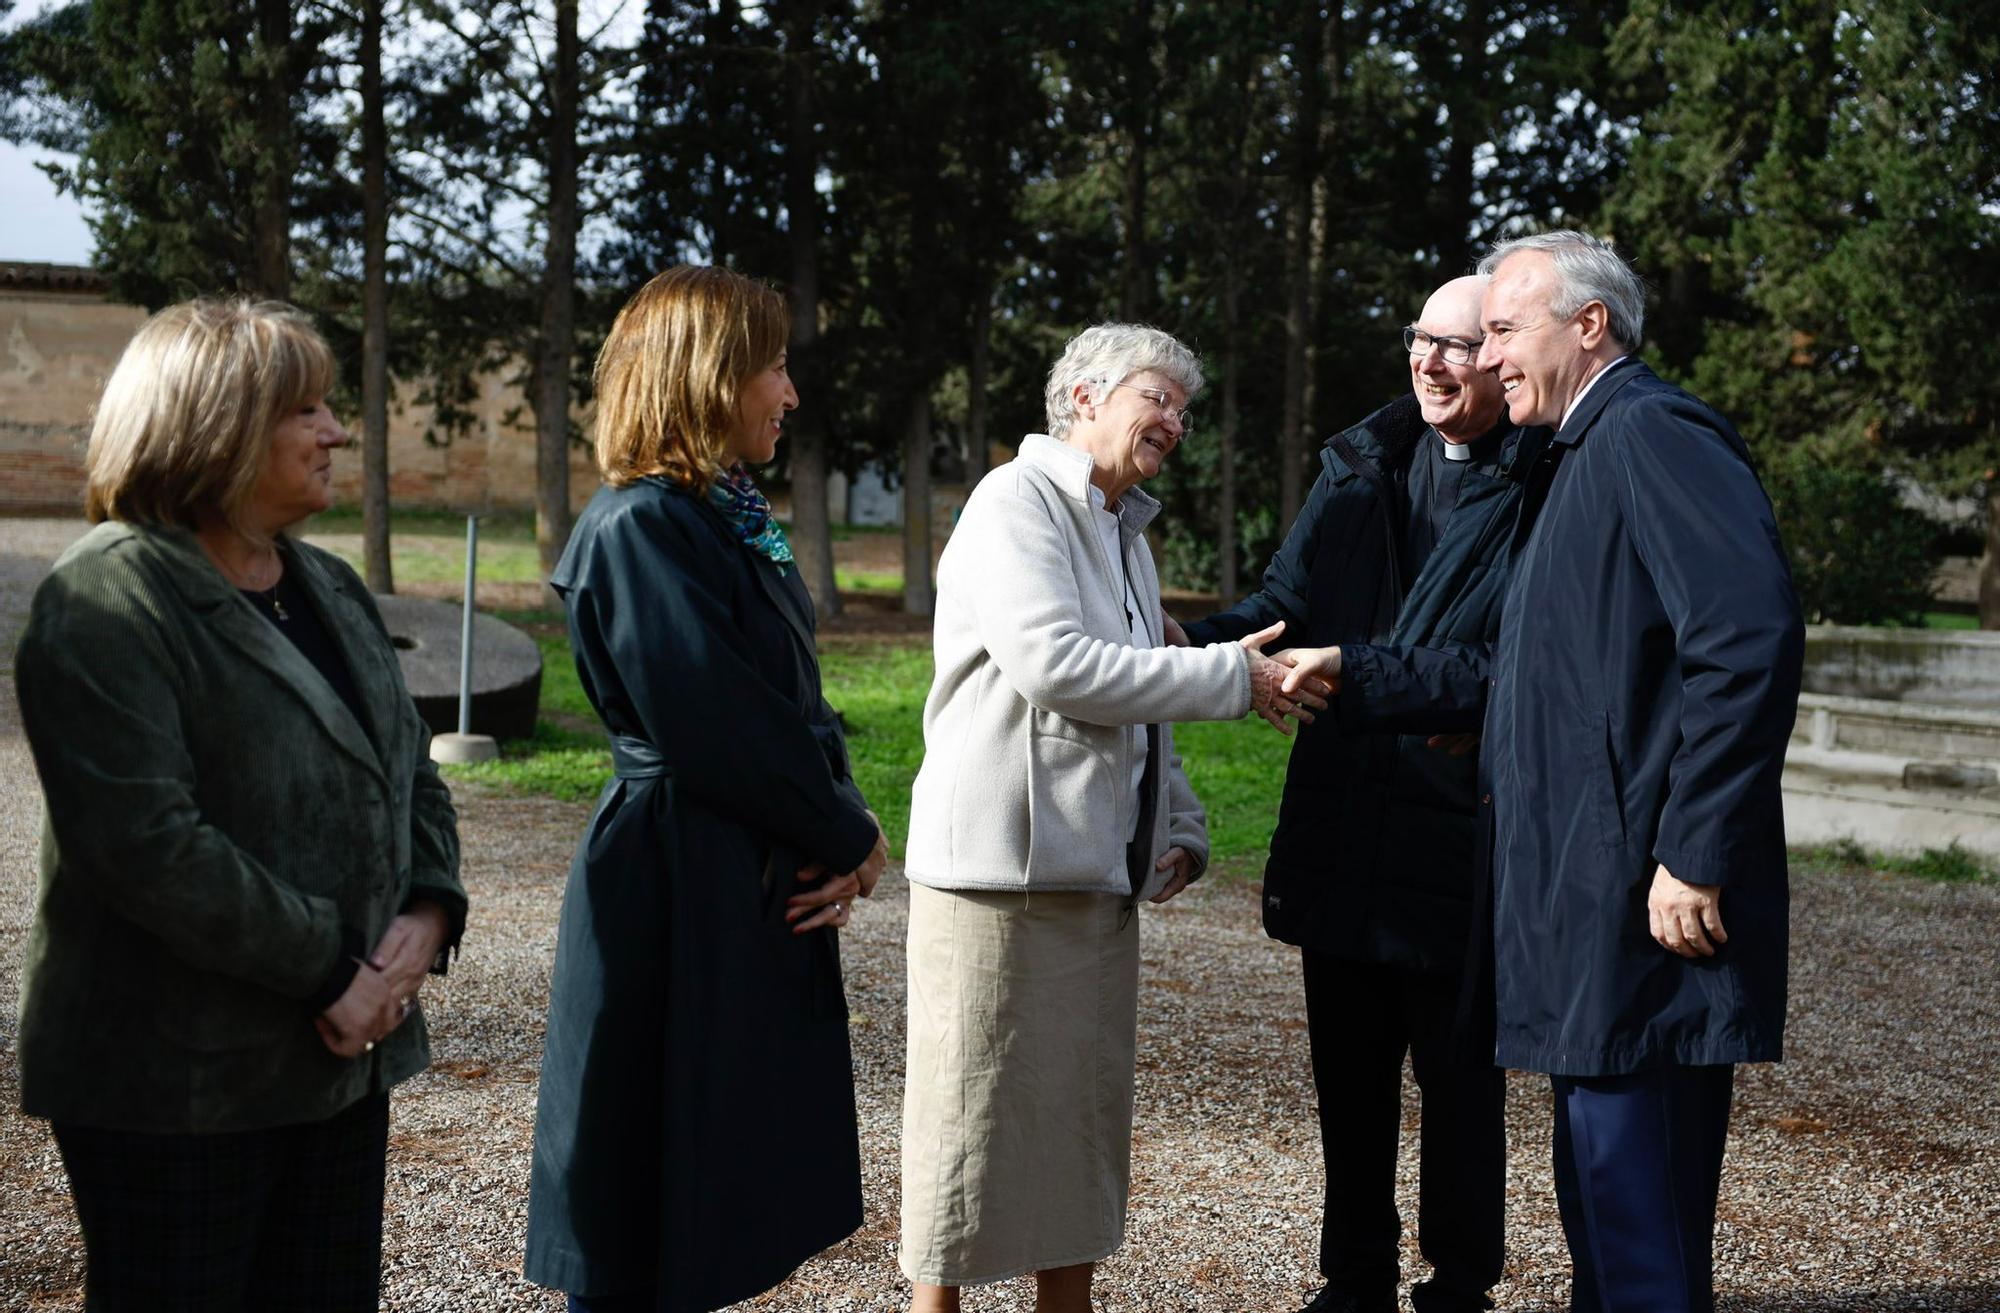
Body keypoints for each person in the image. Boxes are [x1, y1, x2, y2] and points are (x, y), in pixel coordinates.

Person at [13, 298, 466, 1312]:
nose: (336, 431)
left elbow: (411, 769)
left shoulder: (329, 586)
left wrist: (425, 913)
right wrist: (330, 968)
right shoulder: (111, 595)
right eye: (304, 409)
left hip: (338, 1060)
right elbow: (146, 844)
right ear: (211, 425)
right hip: (177, 1084)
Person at [898, 322, 1323, 1313]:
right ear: (1083, 397)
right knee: (968, 1111)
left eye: (1183, 406)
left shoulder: (1123, 527)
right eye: (1155, 397)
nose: (1173, 421)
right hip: (993, 872)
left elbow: (1142, 692)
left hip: (1092, 871)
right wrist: (1231, 672)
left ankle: (1066, 1301)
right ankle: (932, 1309)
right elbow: (1056, 662)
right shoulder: (1015, 502)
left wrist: (1175, 816)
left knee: (1079, 1116)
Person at [1174, 276, 1546, 1313]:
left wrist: (1368, 675)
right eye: (1418, 339)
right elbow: (1280, 608)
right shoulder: (1357, 466)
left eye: (1456, 346)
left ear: (1503, 355)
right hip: (1343, 822)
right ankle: (1353, 1280)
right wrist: (1174, 649)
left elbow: (1512, 667)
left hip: (1461, 832)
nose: (1428, 363)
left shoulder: (1540, 484)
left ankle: (1459, 1284)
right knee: (1348, 1082)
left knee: (1461, 1085)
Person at [523, 265, 890, 1313]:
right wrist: (849, 835)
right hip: (669, 883)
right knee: (643, 1180)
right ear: (706, 376)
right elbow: (718, 726)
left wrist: (846, 821)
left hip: (731, 868)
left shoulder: (722, 514)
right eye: (772, 366)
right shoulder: (639, 526)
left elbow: (797, 703)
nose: (789, 393)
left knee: (712, 1175)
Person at [1469, 230, 1802, 1311]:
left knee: (1640, 1235)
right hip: (1588, 914)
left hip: (1642, 916)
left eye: (1503, 330)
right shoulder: (1572, 454)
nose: (1485, 357)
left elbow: (1744, 635)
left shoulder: (1649, 434)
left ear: (1589, 324)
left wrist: (1693, 852)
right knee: (1605, 1230)